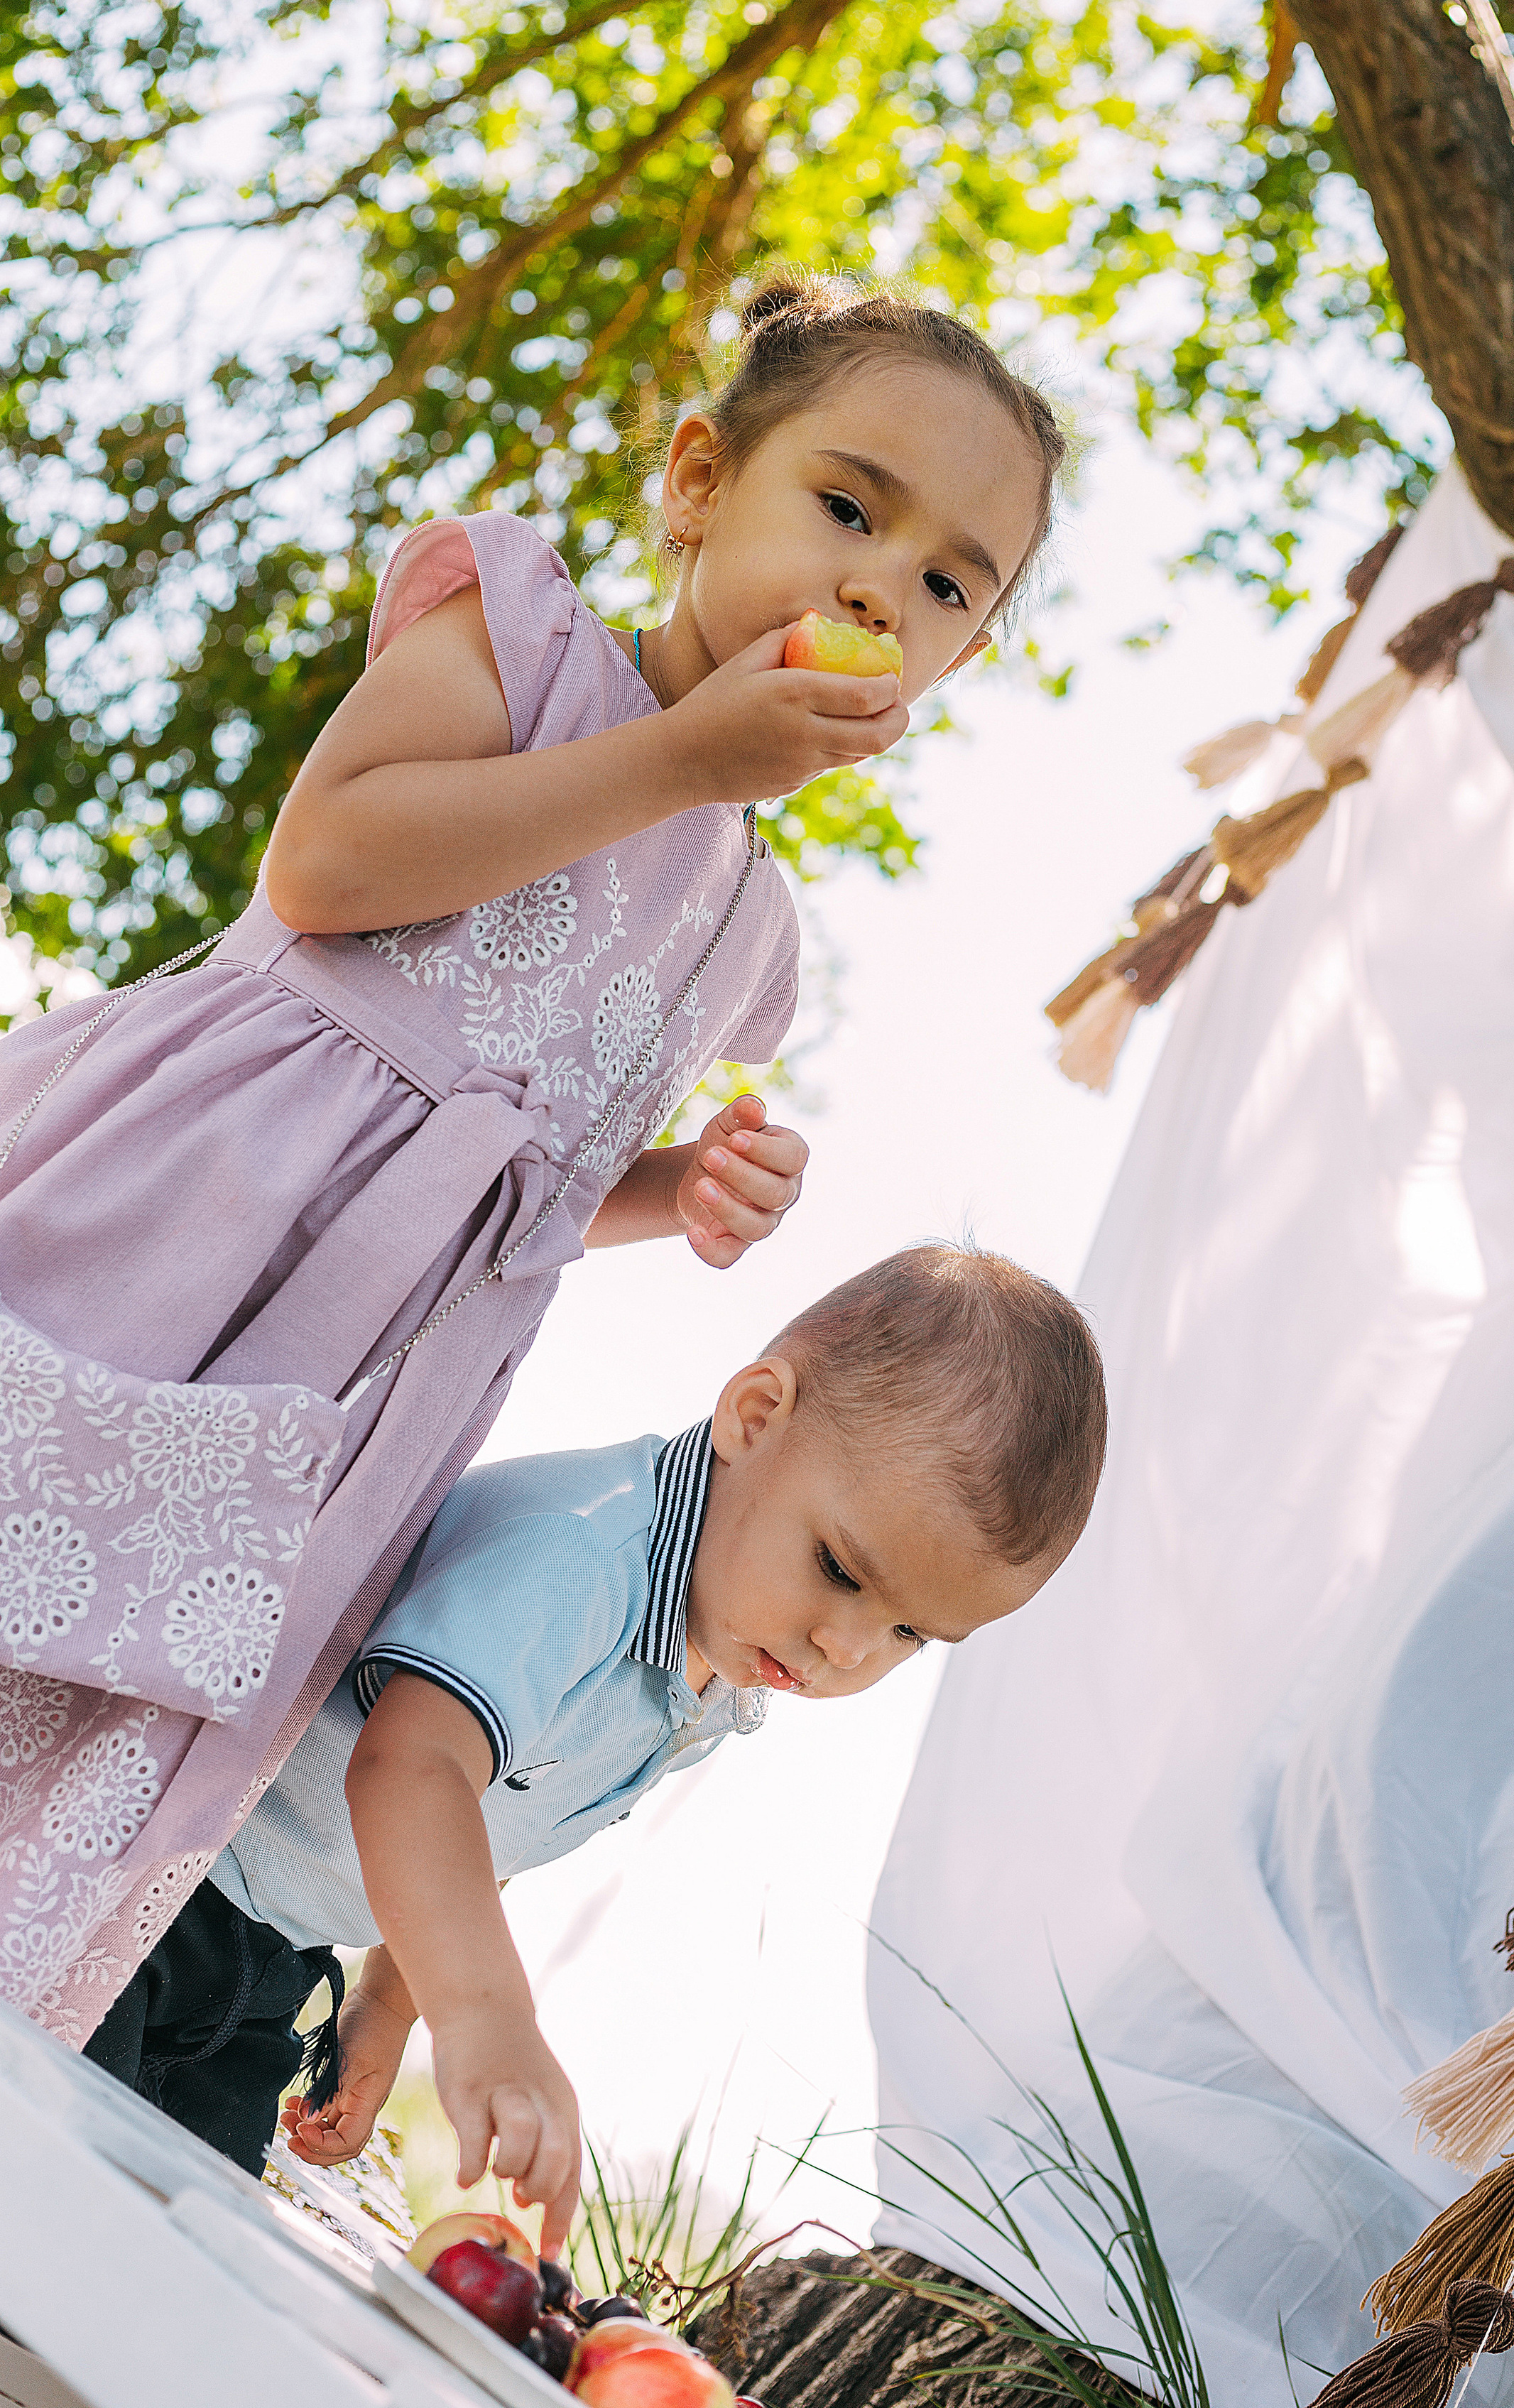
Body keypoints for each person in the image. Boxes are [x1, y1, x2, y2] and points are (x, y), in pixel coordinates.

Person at [0, 276, 1069, 2046]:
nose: (884, 584)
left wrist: (671, 1191)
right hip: (192, 1205)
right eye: (846, 506)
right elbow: (326, 869)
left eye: (952, 584)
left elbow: (518, 1195)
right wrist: (676, 760)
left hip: (352, 1380)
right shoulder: (526, 642)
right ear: (699, 480)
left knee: (111, 1671)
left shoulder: (742, 929)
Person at [80, 1246, 1109, 2248]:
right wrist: (484, 2013)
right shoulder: (581, 1554)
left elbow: (493, 1821)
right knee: (51, 2192)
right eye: (840, 1570)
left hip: (268, 1963)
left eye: (910, 1633)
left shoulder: (710, 1664)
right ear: (756, 1417)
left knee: (169, 2254)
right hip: (145, 1886)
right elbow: (412, 1768)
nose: (847, 1647)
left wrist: (391, 2004)